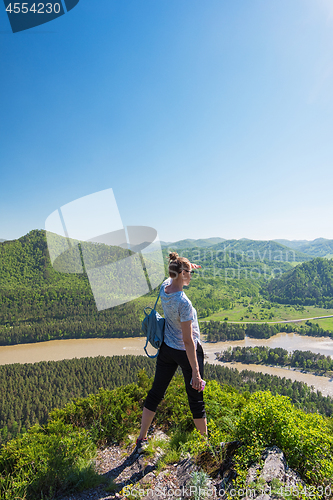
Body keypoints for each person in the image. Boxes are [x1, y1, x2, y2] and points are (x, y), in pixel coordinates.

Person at [136, 252, 207, 453]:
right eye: (189, 273)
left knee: (155, 393)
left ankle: (141, 438)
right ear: (182, 273)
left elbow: (172, 274)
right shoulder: (184, 303)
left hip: (166, 349)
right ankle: (205, 445)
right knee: (196, 399)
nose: (191, 276)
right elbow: (187, 340)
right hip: (186, 353)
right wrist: (195, 371)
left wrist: (186, 266)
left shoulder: (164, 287)